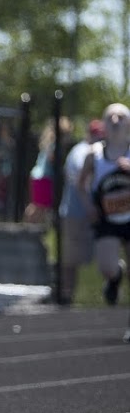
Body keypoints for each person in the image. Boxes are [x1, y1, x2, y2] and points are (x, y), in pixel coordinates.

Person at [78, 103, 130, 326]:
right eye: (111, 117)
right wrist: (88, 206)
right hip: (107, 217)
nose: (116, 121)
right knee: (107, 267)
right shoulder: (94, 155)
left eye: (121, 116)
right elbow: (81, 185)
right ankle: (116, 276)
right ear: (104, 124)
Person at [59, 118, 105, 302]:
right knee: (71, 259)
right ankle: (66, 296)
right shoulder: (82, 151)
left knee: (87, 258)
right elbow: (82, 180)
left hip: (87, 214)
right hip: (76, 213)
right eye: (96, 135)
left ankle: (72, 296)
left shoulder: (96, 152)